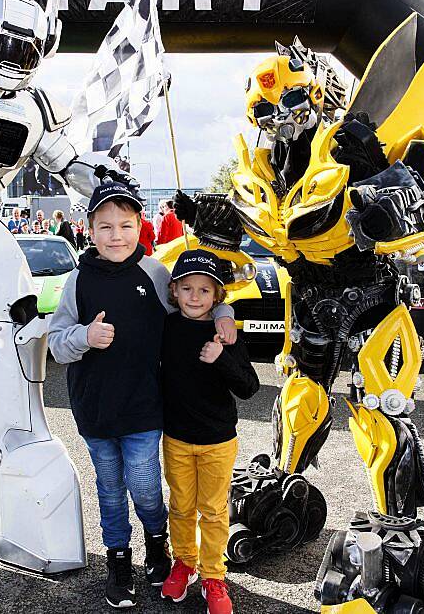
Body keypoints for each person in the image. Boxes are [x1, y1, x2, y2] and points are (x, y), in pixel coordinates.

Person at [48, 183, 237, 609]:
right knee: (110, 488)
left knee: (147, 486)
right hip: (94, 409)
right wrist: (84, 336)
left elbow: (197, 299)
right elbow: (57, 343)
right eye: (106, 226)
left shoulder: (154, 273)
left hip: (144, 408)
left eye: (126, 226)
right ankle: (118, 560)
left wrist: (224, 314)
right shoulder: (77, 280)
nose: (117, 235)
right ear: (90, 230)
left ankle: (158, 546)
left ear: (140, 227)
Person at [159, 250, 259, 614]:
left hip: (218, 441)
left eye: (205, 289)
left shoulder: (226, 333)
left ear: (218, 295)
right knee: (182, 507)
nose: (195, 296)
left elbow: (249, 387)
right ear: (174, 291)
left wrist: (223, 359)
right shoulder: (166, 327)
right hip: (177, 439)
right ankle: (184, 563)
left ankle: (214, 576)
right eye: (187, 288)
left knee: (214, 511)